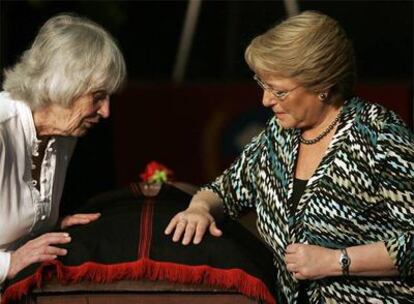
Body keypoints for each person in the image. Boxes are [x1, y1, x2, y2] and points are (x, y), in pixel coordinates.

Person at [165, 10, 414, 303]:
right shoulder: (278, 135)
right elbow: (224, 190)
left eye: (279, 91)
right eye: (263, 86)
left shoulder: (380, 135)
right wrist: (200, 209)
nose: (266, 100)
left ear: (322, 86)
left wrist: (337, 261)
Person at [0, 13, 126, 286]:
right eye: (97, 97)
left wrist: (53, 229)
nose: (106, 112)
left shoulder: (65, 133)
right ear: (61, 87)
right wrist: (9, 263)